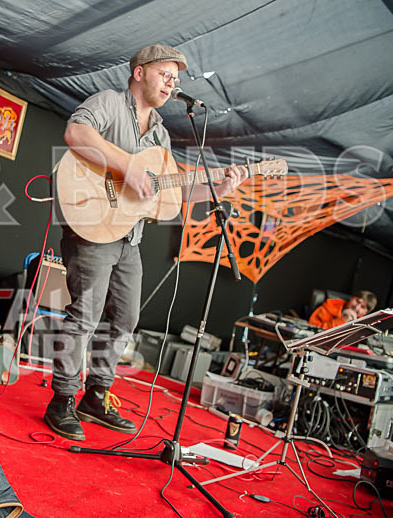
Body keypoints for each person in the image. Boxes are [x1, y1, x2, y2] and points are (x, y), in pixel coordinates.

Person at [45, 44, 246, 441]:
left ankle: (96, 395)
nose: (173, 82)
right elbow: (75, 133)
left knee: (125, 320)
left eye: (176, 78)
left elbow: (169, 195)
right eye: (165, 74)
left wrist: (218, 189)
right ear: (139, 73)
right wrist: (127, 166)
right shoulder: (108, 102)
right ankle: (61, 400)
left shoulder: (161, 134)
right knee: (85, 316)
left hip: (129, 237)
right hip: (92, 227)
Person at [309, 290, 377, 330]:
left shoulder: (363, 324)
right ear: (352, 298)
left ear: (366, 312)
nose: (357, 307)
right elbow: (312, 328)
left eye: (362, 307)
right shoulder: (329, 306)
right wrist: (342, 320)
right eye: (357, 301)